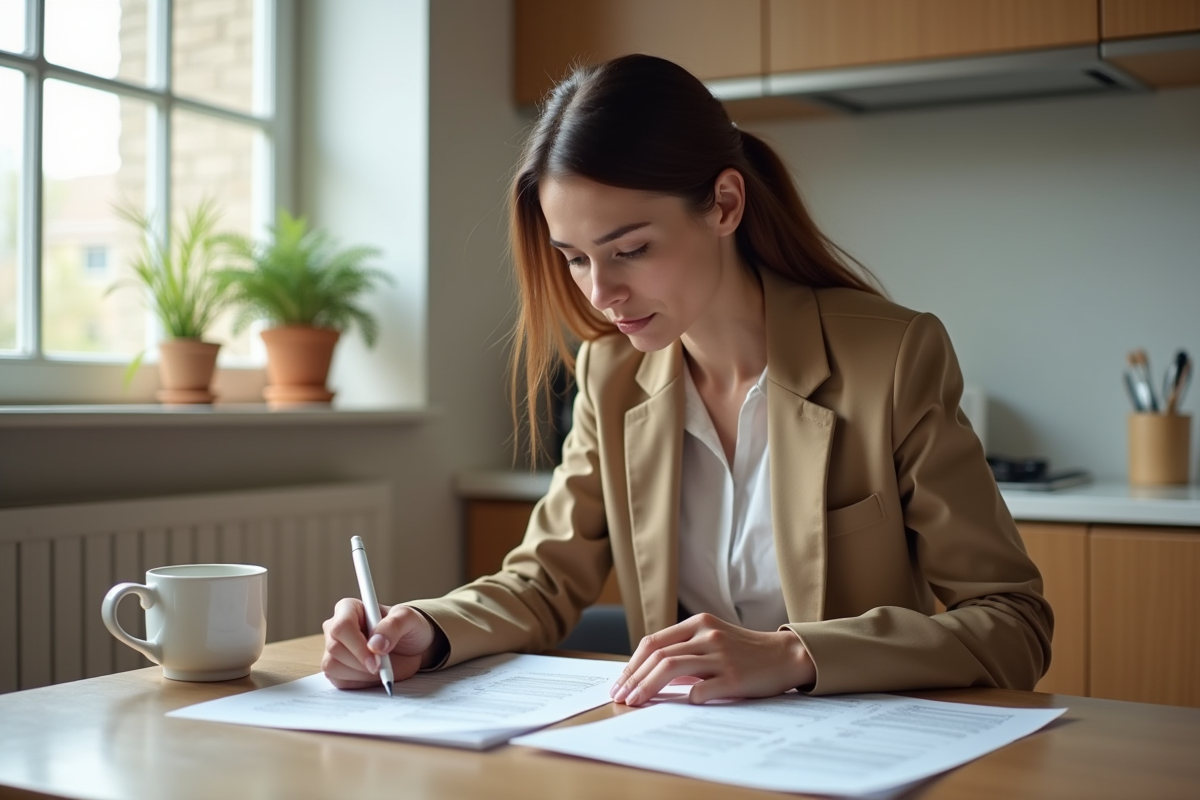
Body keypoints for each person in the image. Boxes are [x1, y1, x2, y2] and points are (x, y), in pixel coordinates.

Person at [321, 54, 1052, 706]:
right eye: (575, 258)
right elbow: (542, 581)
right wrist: (423, 628)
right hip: (687, 754)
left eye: (630, 249)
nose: (599, 293)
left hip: (858, 757)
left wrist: (795, 654)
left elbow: (1012, 624)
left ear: (725, 205)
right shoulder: (609, 375)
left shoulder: (891, 358)